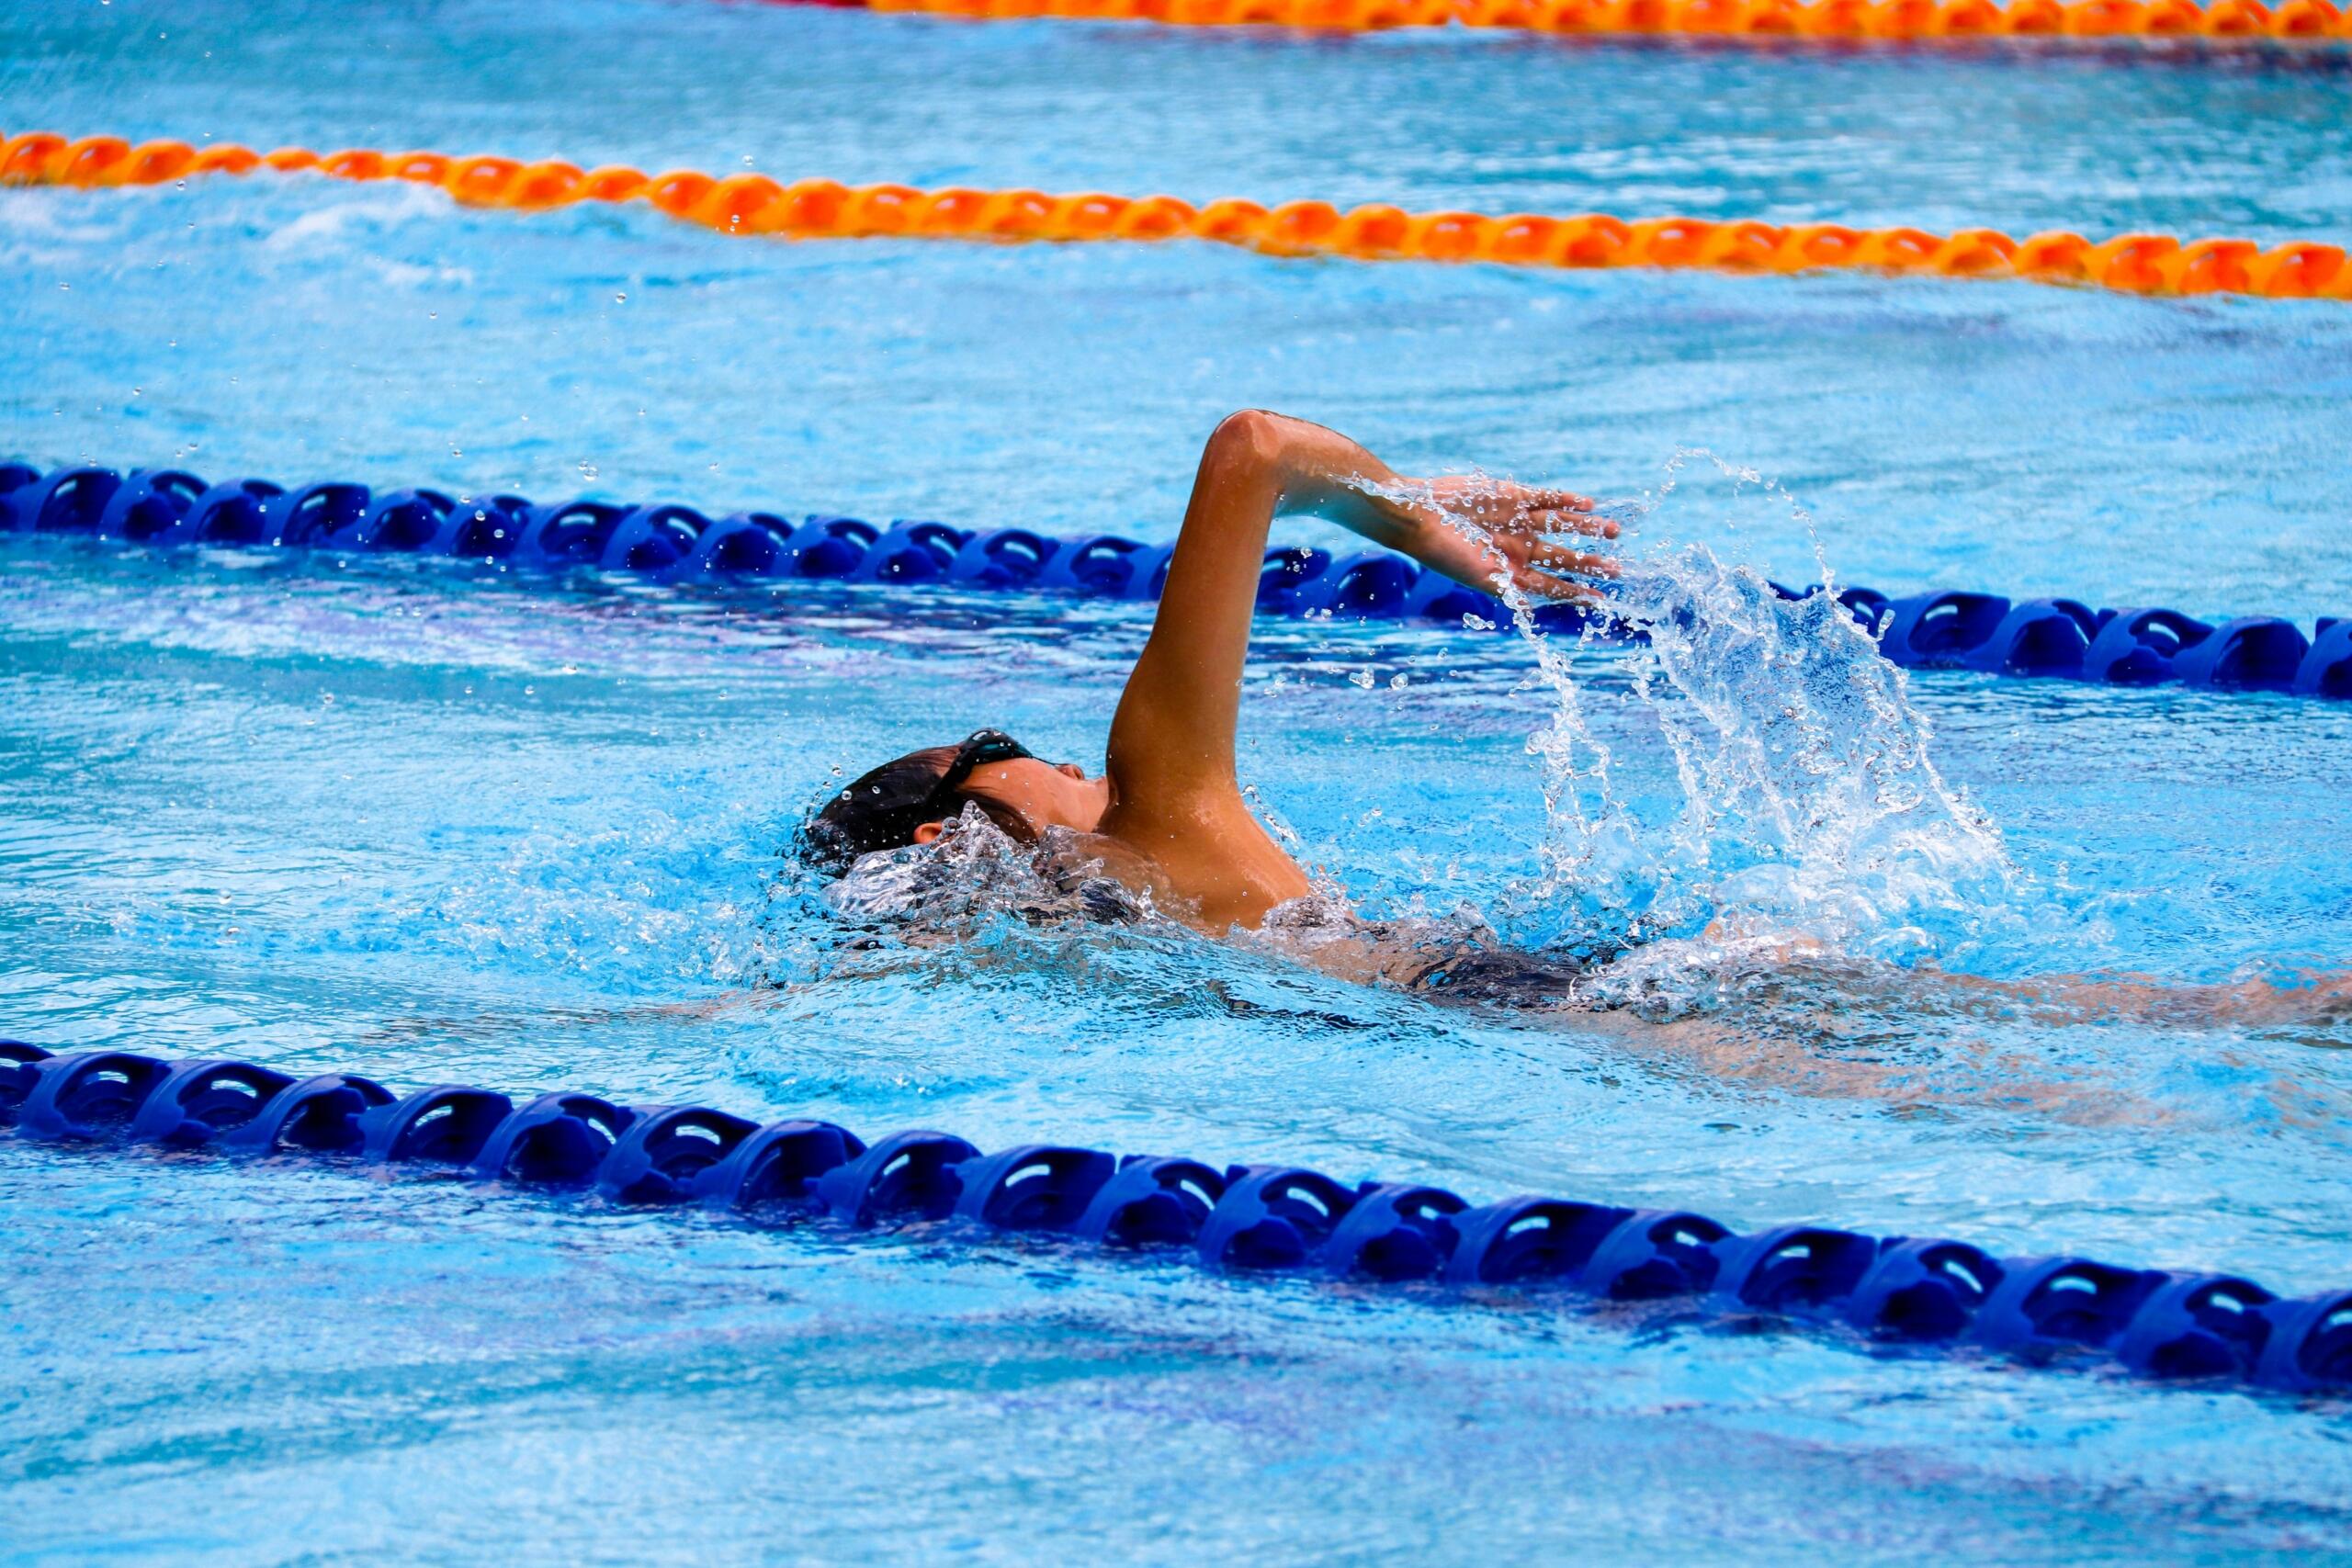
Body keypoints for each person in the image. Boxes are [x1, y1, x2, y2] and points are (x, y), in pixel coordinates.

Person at [801, 409, 1616, 940]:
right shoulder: (1152, 800)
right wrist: (1417, 519)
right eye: (1001, 747)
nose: (1073, 765)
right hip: (1524, 1000)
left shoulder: (1090, 947)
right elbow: (1254, 448)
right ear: (947, 836)